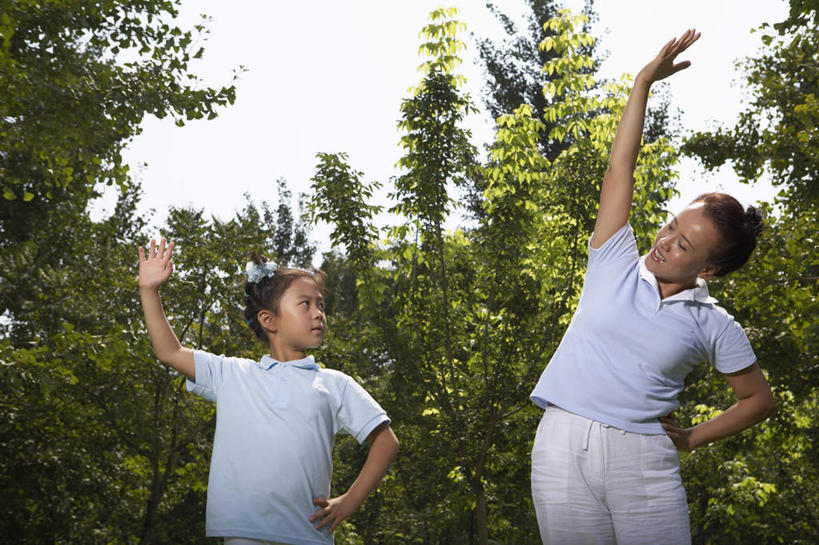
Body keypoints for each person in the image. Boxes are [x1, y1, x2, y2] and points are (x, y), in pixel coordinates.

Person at [529, 30, 774, 545]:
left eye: (684, 246)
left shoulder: (714, 324)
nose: (664, 243)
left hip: (644, 460)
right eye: (669, 226)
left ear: (707, 271)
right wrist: (643, 83)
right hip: (562, 442)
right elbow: (621, 169)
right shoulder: (615, 259)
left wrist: (691, 439)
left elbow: (757, 400)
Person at [138, 239, 399, 545]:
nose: (318, 313)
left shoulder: (335, 384)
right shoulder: (233, 374)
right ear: (269, 319)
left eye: (321, 304)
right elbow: (170, 351)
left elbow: (386, 441)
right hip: (244, 534)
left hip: (308, 534)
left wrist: (349, 501)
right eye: (305, 303)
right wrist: (149, 290)